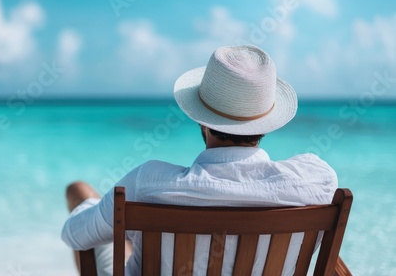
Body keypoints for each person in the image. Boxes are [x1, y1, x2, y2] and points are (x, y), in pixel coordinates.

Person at [61, 45, 338, 275]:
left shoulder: (146, 183)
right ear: (265, 123)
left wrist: (115, 221)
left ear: (202, 122)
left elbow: (75, 235)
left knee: (80, 191)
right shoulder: (316, 182)